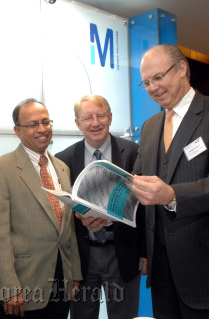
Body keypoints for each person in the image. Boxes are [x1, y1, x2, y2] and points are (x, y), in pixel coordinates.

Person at [120, 43, 209, 318]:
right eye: (146, 82)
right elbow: (135, 180)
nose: (153, 87)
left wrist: (171, 195)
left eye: (159, 77)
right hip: (162, 271)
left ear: (182, 68)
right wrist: (101, 208)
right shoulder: (150, 127)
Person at [0, 98, 82, 319]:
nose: (42, 129)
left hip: (62, 281)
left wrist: (74, 273)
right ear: (17, 131)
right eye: (32, 124)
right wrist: (9, 287)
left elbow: (68, 226)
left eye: (46, 122)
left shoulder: (62, 168)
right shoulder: (1, 168)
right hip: (23, 285)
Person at [55, 95, 146, 319]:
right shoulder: (63, 159)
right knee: (83, 315)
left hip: (123, 252)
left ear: (111, 117)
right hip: (82, 256)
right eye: (87, 118)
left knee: (124, 314)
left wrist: (145, 251)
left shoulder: (134, 153)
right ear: (78, 123)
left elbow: (145, 208)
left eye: (101, 115)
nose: (95, 123)